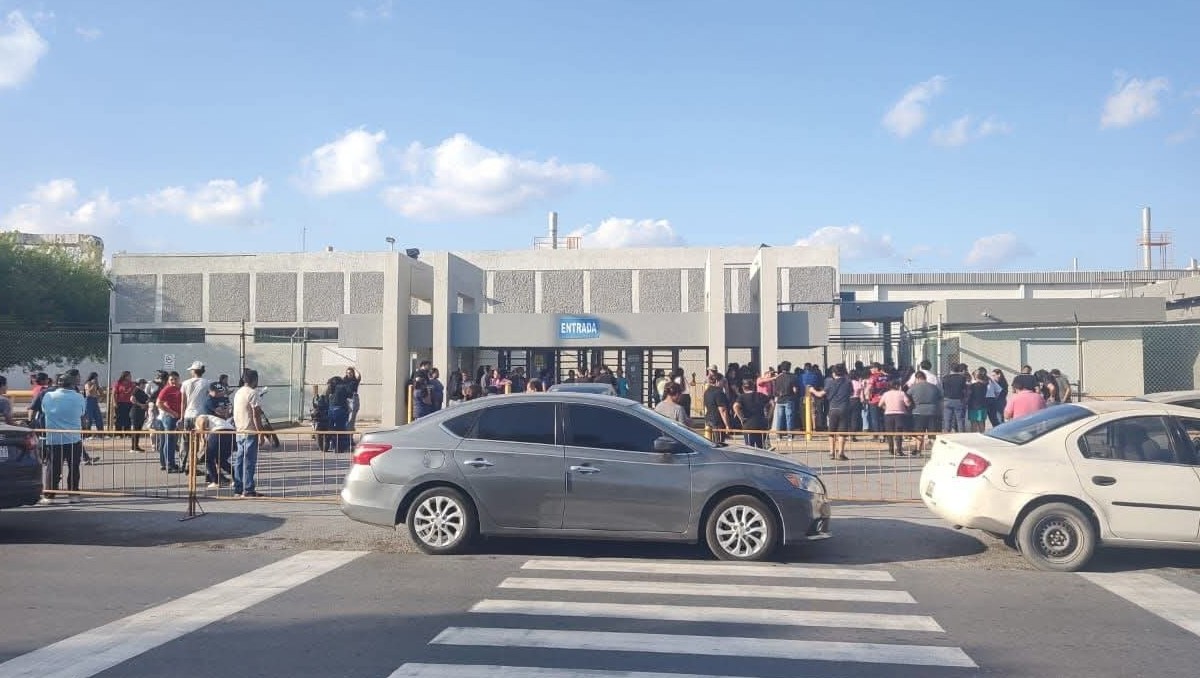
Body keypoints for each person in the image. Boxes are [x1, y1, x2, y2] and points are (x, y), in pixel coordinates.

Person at [39, 373, 87, 504]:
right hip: (73, 438)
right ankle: (73, 495)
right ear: (72, 384)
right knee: (74, 467)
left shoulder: (48, 396)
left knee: (53, 467)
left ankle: (49, 496)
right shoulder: (78, 397)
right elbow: (82, 413)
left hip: (54, 438)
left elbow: (44, 410)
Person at [232, 369, 265, 497]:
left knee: (239, 460)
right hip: (250, 431)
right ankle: (249, 489)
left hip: (239, 430)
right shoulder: (253, 393)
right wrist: (260, 433)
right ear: (254, 380)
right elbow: (256, 415)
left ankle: (238, 488)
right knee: (249, 461)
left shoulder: (238, 392)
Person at [813, 364, 853, 460]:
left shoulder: (830, 383)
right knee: (842, 432)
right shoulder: (848, 383)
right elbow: (851, 393)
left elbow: (820, 394)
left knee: (831, 431)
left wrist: (812, 390)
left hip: (833, 408)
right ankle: (841, 453)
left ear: (834, 373)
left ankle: (831, 452)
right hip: (844, 408)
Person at [196, 389, 235, 488]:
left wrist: (202, 439)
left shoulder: (200, 417)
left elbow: (202, 422)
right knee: (221, 460)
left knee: (208, 458)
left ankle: (216, 481)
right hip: (231, 432)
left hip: (219, 432)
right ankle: (237, 478)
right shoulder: (214, 418)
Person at [907, 370, 942, 456]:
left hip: (918, 411)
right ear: (925, 378)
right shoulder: (934, 387)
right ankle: (935, 452)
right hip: (933, 411)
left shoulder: (914, 387)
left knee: (919, 433)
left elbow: (907, 397)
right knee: (933, 434)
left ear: (917, 378)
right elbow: (940, 397)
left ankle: (918, 451)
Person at [155, 371, 183, 472]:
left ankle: (166, 463)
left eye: (175, 379)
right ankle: (170, 464)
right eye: (171, 380)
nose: (173, 381)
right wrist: (171, 412)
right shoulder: (167, 389)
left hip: (177, 417)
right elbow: (159, 403)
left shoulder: (181, 387)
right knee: (169, 441)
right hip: (169, 417)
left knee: (169, 441)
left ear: (179, 379)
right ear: (168, 380)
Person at [733, 378, 770, 448]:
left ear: (743, 387)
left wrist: (741, 418)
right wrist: (768, 416)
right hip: (761, 424)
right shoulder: (761, 395)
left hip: (748, 424)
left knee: (750, 449)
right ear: (753, 386)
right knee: (761, 449)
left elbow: (735, 406)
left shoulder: (741, 397)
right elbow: (772, 403)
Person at [879, 379, 912, 457]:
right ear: (897, 386)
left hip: (888, 414)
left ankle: (891, 450)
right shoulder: (902, 393)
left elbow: (880, 404)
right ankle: (899, 450)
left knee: (889, 433)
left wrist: (886, 408)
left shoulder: (886, 394)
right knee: (898, 433)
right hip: (900, 415)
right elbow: (908, 404)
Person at [179, 361, 211, 434]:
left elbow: (183, 402)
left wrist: (182, 417)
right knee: (200, 438)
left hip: (188, 414)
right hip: (201, 414)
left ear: (193, 371)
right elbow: (210, 397)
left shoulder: (185, 383)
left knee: (186, 439)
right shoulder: (207, 383)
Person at [703, 373, 732, 443]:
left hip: (708, 419)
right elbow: (722, 410)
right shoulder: (719, 392)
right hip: (717, 421)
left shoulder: (706, 392)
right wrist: (727, 425)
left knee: (710, 443)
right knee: (719, 443)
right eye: (722, 381)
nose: (723, 384)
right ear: (717, 381)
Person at [112, 371, 135, 437]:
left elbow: (134, 392)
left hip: (129, 403)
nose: (130, 377)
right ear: (125, 376)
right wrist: (115, 403)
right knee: (119, 418)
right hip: (120, 403)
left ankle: (127, 433)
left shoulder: (132, 384)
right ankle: (118, 434)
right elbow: (114, 394)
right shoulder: (118, 383)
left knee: (128, 418)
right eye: (129, 376)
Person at [130, 379, 150, 452]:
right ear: (139, 384)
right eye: (143, 384)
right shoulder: (136, 390)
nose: (144, 385)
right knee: (135, 430)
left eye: (144, 384)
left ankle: (136, 446)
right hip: (136, 412)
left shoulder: (142, 392)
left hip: (141, 413)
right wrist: (140, 405)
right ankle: (133, 447)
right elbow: (132, 399)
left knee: (138, 430)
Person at [967, 368, 990, 433]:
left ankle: (973, 437)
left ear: (975, 376)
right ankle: (983, 436)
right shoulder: (985, 385)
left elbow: (969, 395)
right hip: (983, 405)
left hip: (973, 406)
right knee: (981, 423)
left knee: (974, 423)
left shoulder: (972, 386)